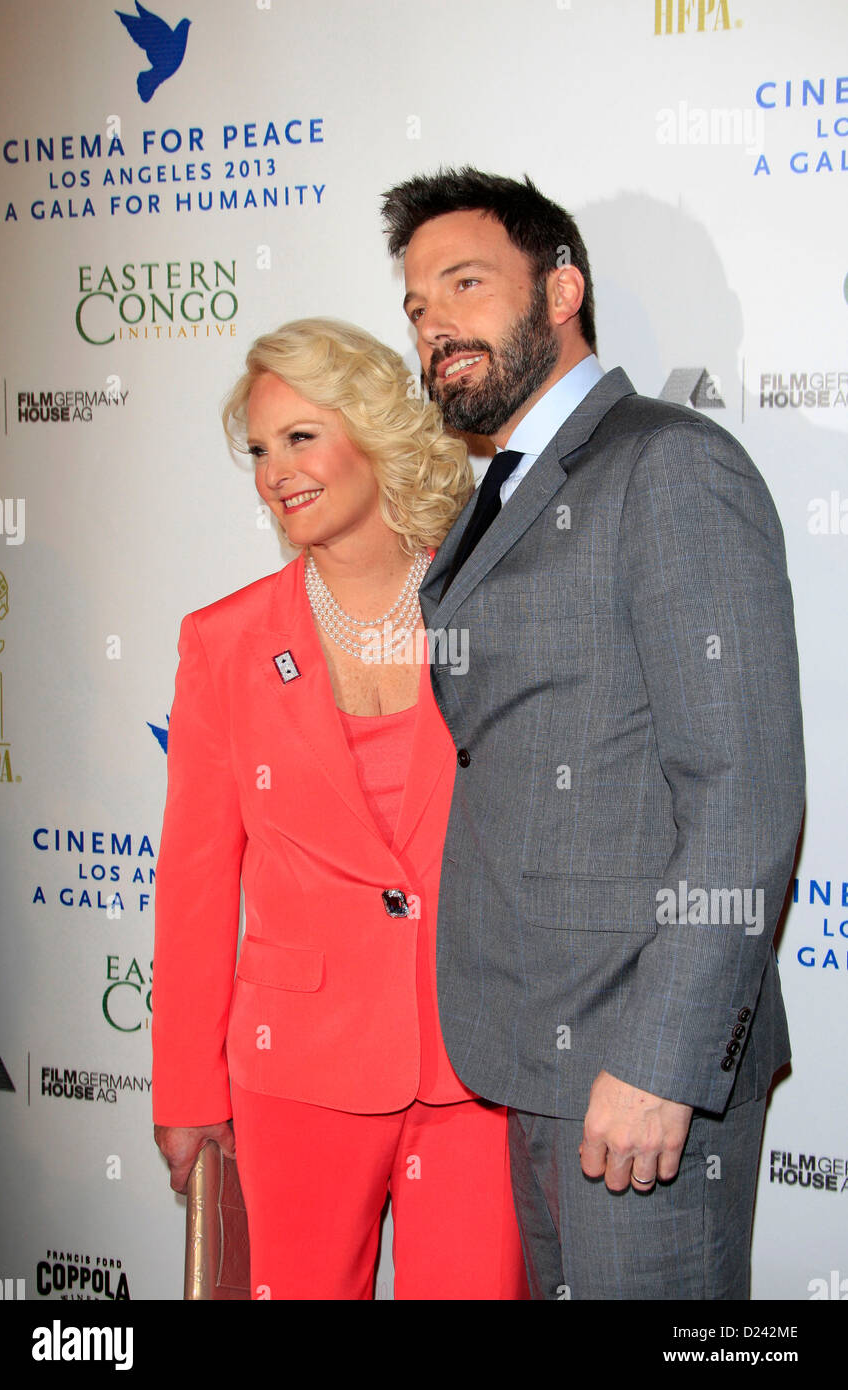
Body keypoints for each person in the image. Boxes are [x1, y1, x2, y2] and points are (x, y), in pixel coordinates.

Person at [381, 168, 805, 1300]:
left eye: (465, 285)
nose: (435, 327)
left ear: (560, 288)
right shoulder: (497, 497)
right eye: (417, 307)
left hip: (637, 1061)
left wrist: (664, 1060)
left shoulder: (667, 465)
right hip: (534, 1049)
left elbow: (742, 790)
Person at [151, 317, 529, 1301]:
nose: (277, 470)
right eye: (261, 449)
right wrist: (187, 1089)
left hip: (477, 1061)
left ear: (372, 434)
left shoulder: (490, 609)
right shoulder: (225, 642)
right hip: (296, 1074)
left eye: (302, 436)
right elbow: (193, 883)